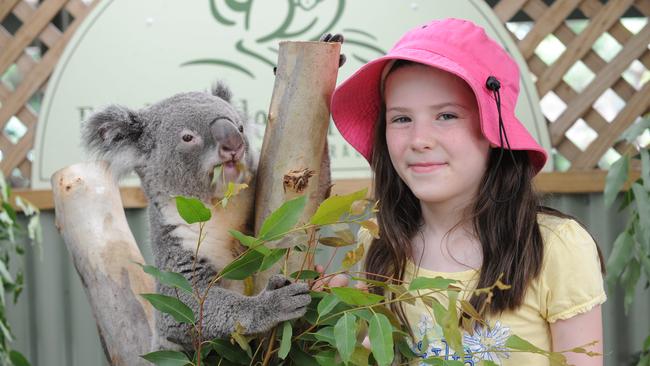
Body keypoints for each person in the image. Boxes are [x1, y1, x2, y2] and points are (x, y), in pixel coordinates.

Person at [327, 18, 606, 366]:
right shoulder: (378, 246)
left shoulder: (555, 247)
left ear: (494, 129)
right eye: (401, 119)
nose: (419, 140)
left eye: (446, 115)